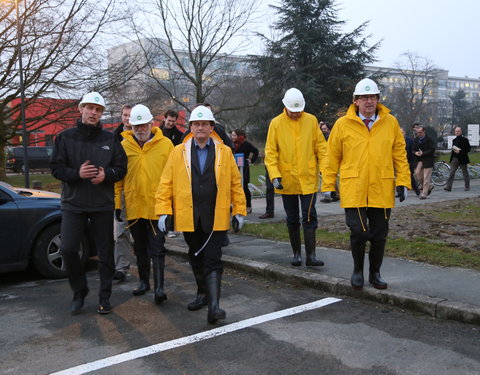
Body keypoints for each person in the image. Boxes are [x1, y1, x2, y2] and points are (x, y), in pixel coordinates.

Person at [155, 105, 246, 324]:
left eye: (204, 124)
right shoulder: (179, 152)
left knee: (213, 259)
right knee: (195, 256)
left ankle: (214, 307)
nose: (200, 128)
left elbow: (236, 183)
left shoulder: (224, 152)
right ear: (190, 127)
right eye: (196, 124)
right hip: (189, 216)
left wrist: (239, 211)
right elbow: (165, 183)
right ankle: (202, 294)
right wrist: (163, 212)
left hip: (216, 216)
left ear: (212, 127)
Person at [322, 78, 411, 290]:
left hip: (381, 188)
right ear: (355, 101)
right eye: (364, 98)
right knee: (359, 232)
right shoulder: (343, 125)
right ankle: (357, 270)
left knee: (380, 234)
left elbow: (399, 154)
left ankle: (375, 273)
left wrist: (403, 181)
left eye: (372, 97)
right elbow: (331, 157)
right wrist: (327, 185)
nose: (369, 101)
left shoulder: (391, 123)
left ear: (378, 99)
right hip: (354, 188)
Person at [51, 91, 127, 315]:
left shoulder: (110, 139)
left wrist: (108, 175)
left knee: (105, 253)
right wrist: (77, 173)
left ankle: (105, 296)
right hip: (74, 204)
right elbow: (56, 168)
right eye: (90, 108)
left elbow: (122, 168)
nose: (94, 113)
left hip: (102, 203)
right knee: (67, 249)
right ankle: (79, 290)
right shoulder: (65, 137)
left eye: (98, 110)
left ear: (102, 113)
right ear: (81, 109)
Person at [115, 104, 174, 304]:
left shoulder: (165, 145)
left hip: (158, 208)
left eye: (143, 125)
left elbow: (174, 176)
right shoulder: (123, 146)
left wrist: (171, 206)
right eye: (136, 126)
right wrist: (117, 205)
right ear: (130, 126)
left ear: (151, 123)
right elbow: (118, 180)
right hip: (134, 207)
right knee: (139, 248)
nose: (140, 129)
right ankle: (144, 282)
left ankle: (159, 288)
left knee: (157, 248)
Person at [265, 88, 327, 267]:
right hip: (287, 180)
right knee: (292, 218)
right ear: (285, 107)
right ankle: (296, 254)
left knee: (309, 216)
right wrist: (275, 176)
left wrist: (325, 170)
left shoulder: (311, 120)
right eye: (293, 111)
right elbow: (270, 152)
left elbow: (321, 148)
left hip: (308, 179)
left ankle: (311, 256)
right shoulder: (276, 123)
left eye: (299, 110)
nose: (296, 114)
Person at [113, 104, 133, 282]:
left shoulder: (143, 134)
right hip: (122, 189)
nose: (127, 118)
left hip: (142, 190)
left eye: (130, 115)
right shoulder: (113, 138)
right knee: (121, 231)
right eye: (125, 115)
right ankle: (121, 267)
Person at [231, 129, 259, 214]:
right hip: (233, 167)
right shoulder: (231, 144)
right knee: (234, 187)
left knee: (244, 187)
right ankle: (235, 206)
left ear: (239, 136)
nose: (232, 137)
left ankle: (248, 206)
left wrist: (251, 160)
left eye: (234, 135)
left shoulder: (246, 144)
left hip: (244, 167)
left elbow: (256, 151)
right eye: (232, 135)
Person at [444, 126, 471, 191]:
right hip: (455, 158)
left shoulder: (465, 140)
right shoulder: (454, 140)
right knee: (452, 172)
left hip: (462, 158)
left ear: (461, 132)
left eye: (458, 131)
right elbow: (453, 149)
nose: (457, 132)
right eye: (456, 131)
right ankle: (448, 187)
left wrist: (460, 151)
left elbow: (468, 149)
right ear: (455, 132)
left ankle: (467, 186)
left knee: (465, 173)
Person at [413, 125, 436, 199]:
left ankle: (424, 193)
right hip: (419, 160)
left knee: (426, 177)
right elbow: (413, 149)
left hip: (428, 160)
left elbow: (432, 149)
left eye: (420, 132)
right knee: (417, 174)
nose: (419, 134)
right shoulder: (416, 139)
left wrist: (424, 153)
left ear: (424, 131)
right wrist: (415, 153)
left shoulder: (429, 139)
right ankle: (429, 186)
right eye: (418, 132)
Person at [401, 128, 420, 196]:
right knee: (400, 176)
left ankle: (416, 190)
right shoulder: (398, 140)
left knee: (410, 176)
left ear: (405, 133)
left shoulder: (409, 141)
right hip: (401, 161)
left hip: (409, 161)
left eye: (402, 132)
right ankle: (401, 191)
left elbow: (412, 151)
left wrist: (412, 162)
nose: (401, 134)